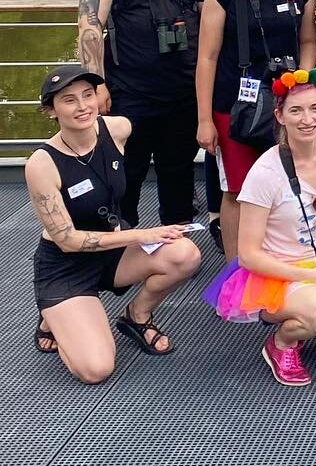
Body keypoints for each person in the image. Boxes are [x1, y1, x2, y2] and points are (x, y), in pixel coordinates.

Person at [204, 71, 316, 386]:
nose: (307, 119)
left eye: (315, 108)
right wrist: (311, 278)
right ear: (280, 115)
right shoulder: (265, 172)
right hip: (279, 275)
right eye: (296, 110)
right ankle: (283, 343)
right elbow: (248, 255)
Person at [27, 63, 203, 377]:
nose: (83, 106)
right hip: (67, 265)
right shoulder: (42, 164)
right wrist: (140, 235)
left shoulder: (116, 128)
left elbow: (163, 135)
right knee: (96, 369)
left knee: (185, 254)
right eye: (69, 100)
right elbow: (68, 241)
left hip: (113, 251)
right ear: (50, 110)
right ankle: (53, 315)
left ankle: (137, 315)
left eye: (88, 95)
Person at [77, 0, 214, 227]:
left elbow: (214, 26)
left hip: (184, 93)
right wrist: (96, 85)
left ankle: (177, 241)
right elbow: (90, 27)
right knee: (126, 171)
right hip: (130, 94)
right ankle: (123, 243)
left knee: (179, 171)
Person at [195, 0, 316, 258]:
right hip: (235, 105)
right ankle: (239, 271)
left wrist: (303, 79)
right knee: (238, 190)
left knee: (291, 183)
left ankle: (289, 260)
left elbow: (309, 40)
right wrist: (204, 120)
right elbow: (207, 56)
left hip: (288, 101)